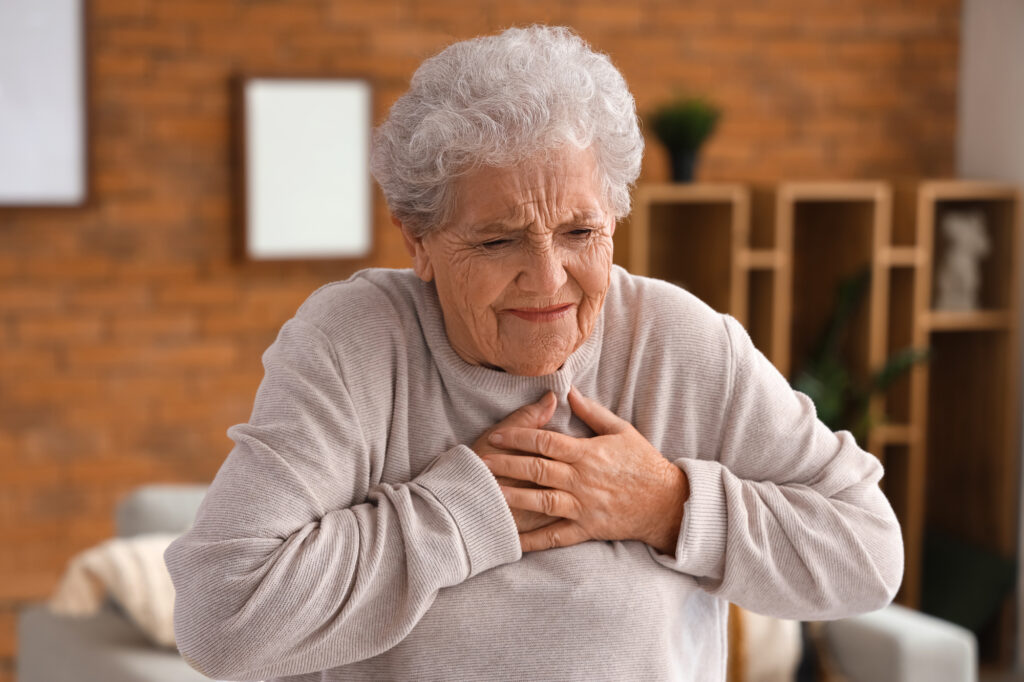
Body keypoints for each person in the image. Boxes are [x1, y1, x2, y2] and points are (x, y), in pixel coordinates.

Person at [165, 25, 903, 681]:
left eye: (581, 234)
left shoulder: (680, 341)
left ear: (615, 214)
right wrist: (464, 511)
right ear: (417, 241)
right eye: (497, 240)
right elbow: (220, 622)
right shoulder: (357, 343)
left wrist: (668, 507)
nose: (549, 278)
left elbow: (869, 556)